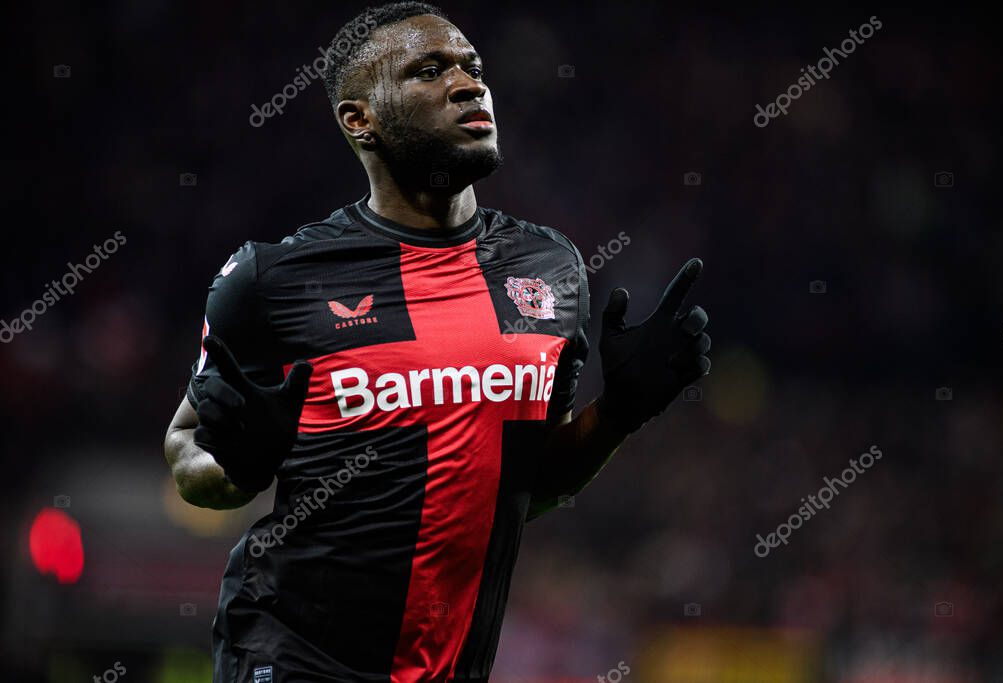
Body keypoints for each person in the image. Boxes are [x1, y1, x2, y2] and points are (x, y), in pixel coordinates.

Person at [162, 3, 710, 681]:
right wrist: (234, 466)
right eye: (430, 70)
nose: (468, 84)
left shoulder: (550, 270)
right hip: (293, 654)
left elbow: (528, 487)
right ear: (359, 119)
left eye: (473, 68)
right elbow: (186, 451)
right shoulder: (272, 279)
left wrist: (616, 415)